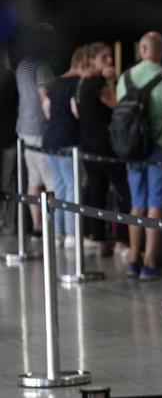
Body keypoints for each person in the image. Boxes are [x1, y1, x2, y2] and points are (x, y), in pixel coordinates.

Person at [117, 32, 162, 280]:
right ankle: (150, 261)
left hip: (133, 149)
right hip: (161, 147)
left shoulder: (125, 78)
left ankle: (133, 258)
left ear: (142, 49)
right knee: (156, 205)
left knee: (137, 203)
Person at [76, 42, 126, 254]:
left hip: (88, 145)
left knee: (96, 192)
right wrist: (112, 80)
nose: (109, 61)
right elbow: (118, 105)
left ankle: (98, 237)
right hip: (105, 148)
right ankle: (123, 240)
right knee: (123, 192)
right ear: (92, 61)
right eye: (104, 58)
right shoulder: (98, 83)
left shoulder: (81, 84)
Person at [15, 29, 56, 238]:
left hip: (23, 128)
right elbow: (45, 98)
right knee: (51, 180)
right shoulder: (42, 65)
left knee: (33, 179)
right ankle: (53, 227)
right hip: (40, 128)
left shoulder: (22, 64)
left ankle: (37, 226)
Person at [42, 47, 86, 241]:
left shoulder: (57, 82)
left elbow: (47, 108)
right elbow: (76, 110)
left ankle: (57, 232)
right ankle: (72, 234)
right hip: (68, 139)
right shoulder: (77, 83)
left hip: (50, 139)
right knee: (72, 186)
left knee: (59, 186)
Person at [0, 50, 18, 233]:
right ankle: (6, 223)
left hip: (7, 137)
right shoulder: (11, 78)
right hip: (9, 137)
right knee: (7, 181)